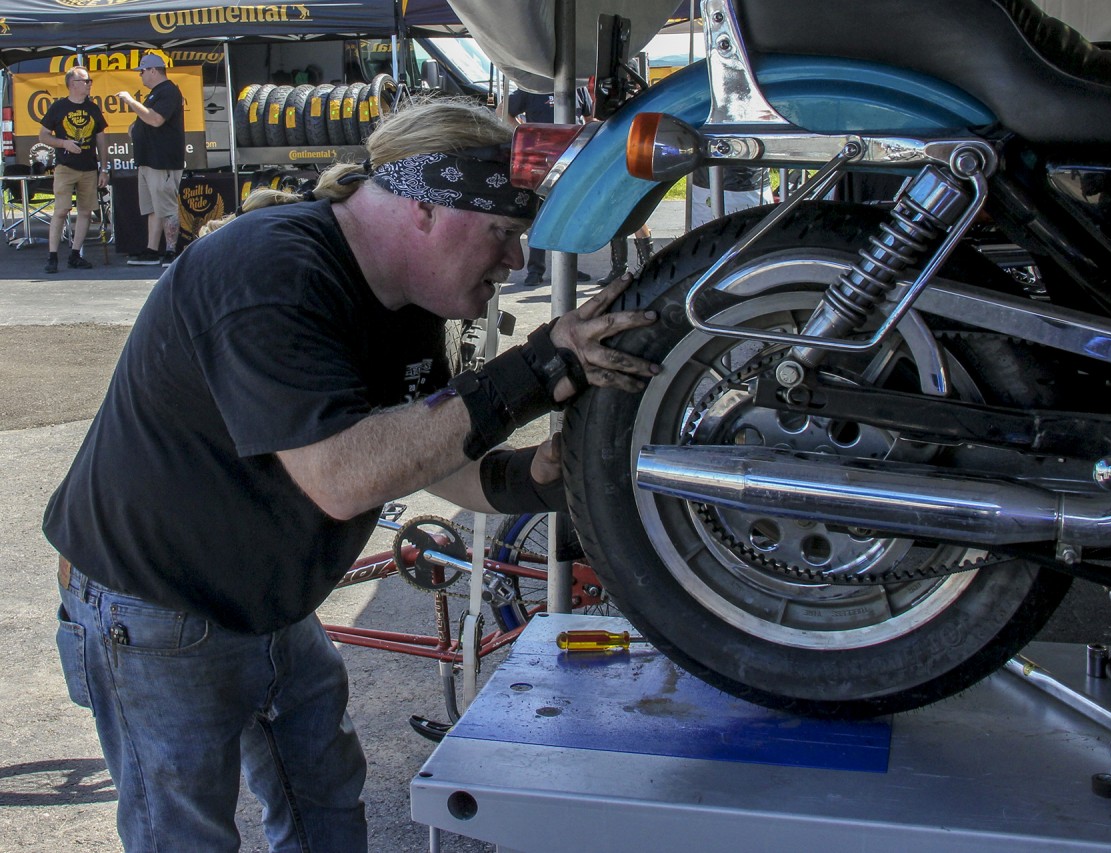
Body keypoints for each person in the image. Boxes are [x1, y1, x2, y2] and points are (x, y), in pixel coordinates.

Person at [46, 98, 659, 852]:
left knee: (325, 803)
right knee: (185, 835)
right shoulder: (269, 268)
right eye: (503, 234)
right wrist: (540, 366)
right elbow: (341, 474)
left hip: (269, 600)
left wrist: (533, 476)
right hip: (156, 610)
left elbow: (425, 448)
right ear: (429, 209)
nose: (514, 262)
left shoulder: (408, 296)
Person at [506, 85, 592, 286]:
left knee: (568, 214)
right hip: (541, 160)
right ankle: (535, 270)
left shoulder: (578, 87)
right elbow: (504, 111)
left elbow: (588, 119)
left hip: (572, 158)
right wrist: (526, 134)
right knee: (540, 215)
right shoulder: (532, 86)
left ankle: (569, 267)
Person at [38, 65, 109, 274]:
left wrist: (104, 168)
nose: (88, 85)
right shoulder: (59, 107)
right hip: (65, 167)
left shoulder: (93, 108)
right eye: (84, 81)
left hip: (89, 168)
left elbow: (101, 140)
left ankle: (76, 254)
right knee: (61, 210)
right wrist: (63, 143)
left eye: (89, 81)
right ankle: (52, 256)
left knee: (86, 211)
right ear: (72, 84)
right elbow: (43, 136)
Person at [115, 53, 184, 266]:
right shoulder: (154, 94)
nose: (141, 76)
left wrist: (130, 100)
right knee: (152, 208)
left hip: (162, 160)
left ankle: (171, 250)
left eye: (142, 71)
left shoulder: (169, 91)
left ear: (154, 70)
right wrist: (136, 128)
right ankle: (151, 249)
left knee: (167, 206)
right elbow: (147, 119)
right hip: (146, 160)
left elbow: (155, 119)